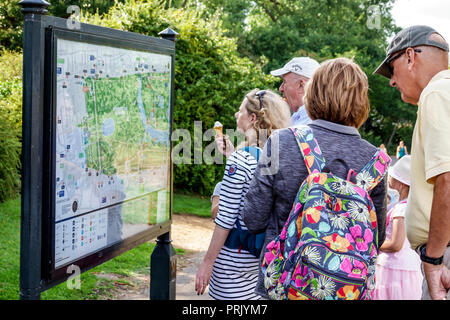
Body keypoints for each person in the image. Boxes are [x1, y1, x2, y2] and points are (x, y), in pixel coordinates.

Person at [242, 58, 388, 299]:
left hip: (284, 287)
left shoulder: (281, 142)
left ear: (313, 93)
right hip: (344, 288)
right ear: (362, 101)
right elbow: (377, 238)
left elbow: (253, 218)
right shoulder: (376, 161)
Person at [374, 25, 450, 300]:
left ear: (409, 57)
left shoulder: (436, 92)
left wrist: (433, 259)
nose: (392, 82)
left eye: (391, 70)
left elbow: (448, 178)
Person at [195, 89, 291, 300]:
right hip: (260, 258)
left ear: (253, 118)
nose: (236, 116)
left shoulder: (241, 160)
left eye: (240, 112)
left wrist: (207, 263)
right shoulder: (278, 155)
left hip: (232, 264)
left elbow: (224, 216)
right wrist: (232, 155)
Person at [374, 155, 423, 300]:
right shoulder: (405, 205)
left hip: (394, 269)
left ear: (402, 183)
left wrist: (373, 244)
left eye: (393, 175)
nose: (389, 177)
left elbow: (396, 244)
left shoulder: (402, 210)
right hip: (401, 266)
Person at [270, 57, 320, 126]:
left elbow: (268, 137)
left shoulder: (306, 125)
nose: (280, 89)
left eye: (284, 82)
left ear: (301, 85)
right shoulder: (299, 118)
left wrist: (262, 128)